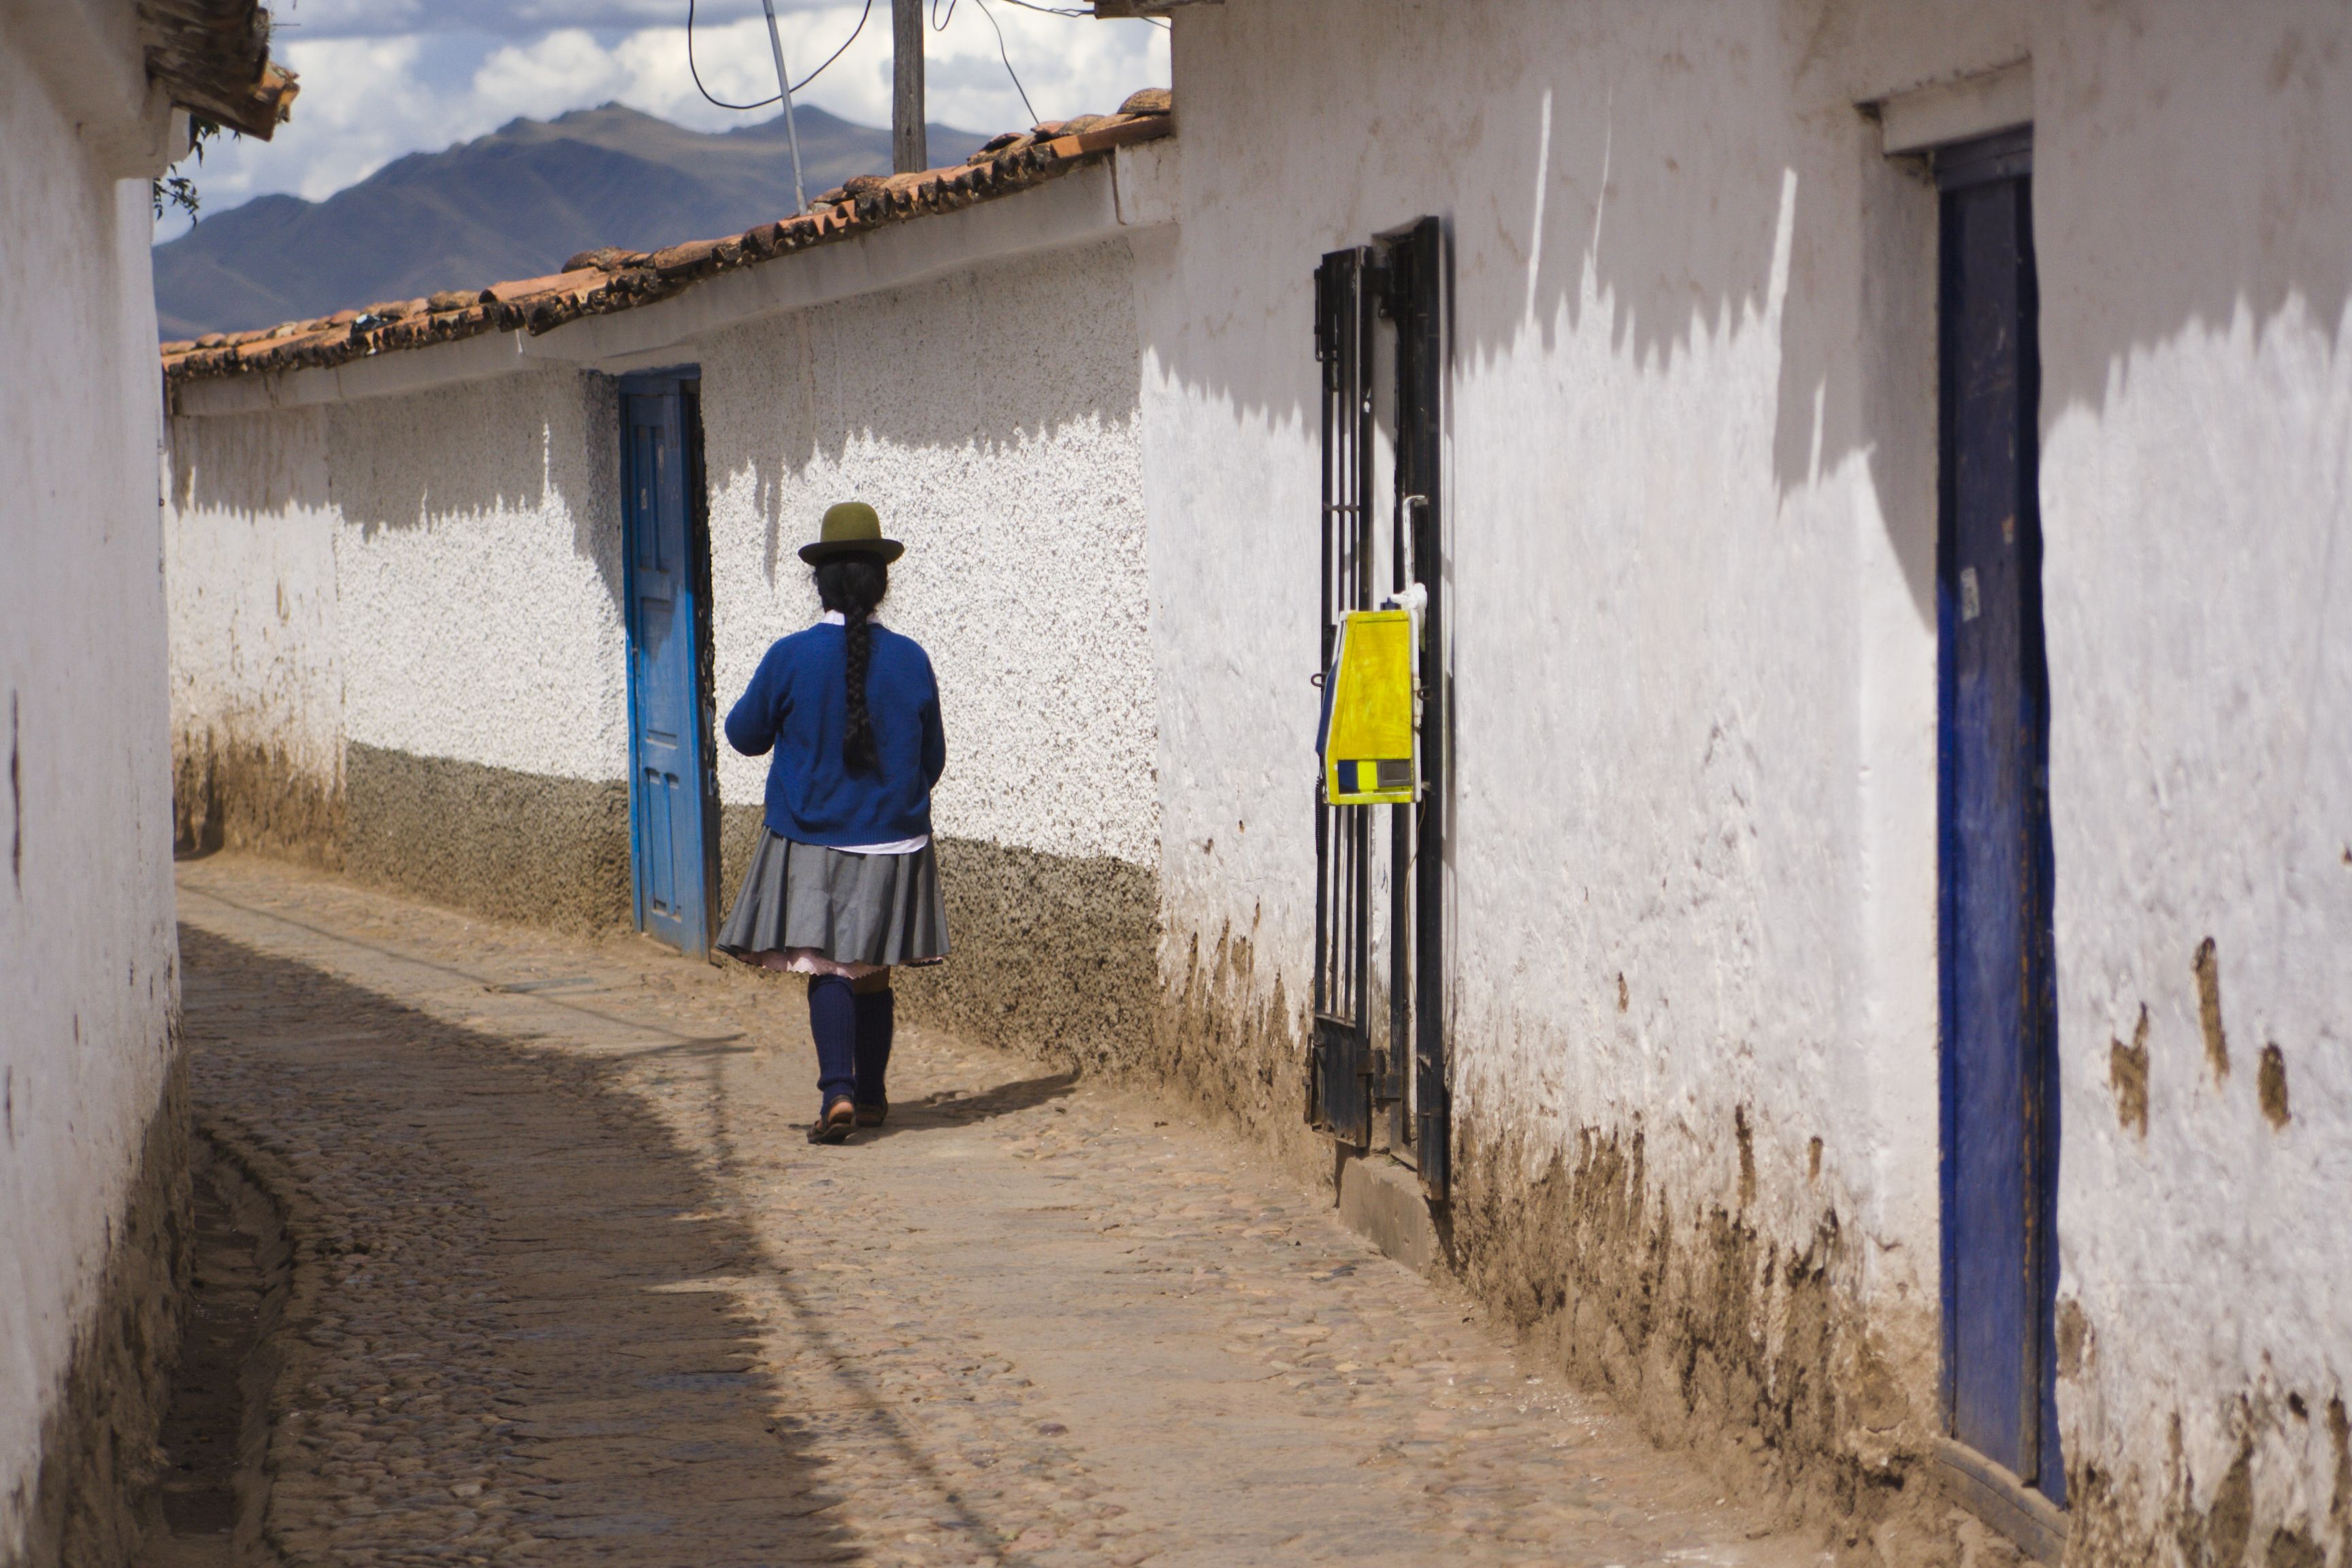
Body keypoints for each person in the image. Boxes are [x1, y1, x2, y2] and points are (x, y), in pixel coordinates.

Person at [717, 502, 948, 1143]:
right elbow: (933, 761)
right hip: (893, 840)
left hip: (812, 837)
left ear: (819, 583)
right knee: (870, 971)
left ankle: (837, 1095)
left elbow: (742, 735)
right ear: (882, 584)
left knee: (825, 967)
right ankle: (870, 1096)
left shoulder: (790, 657)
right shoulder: (911, 659)